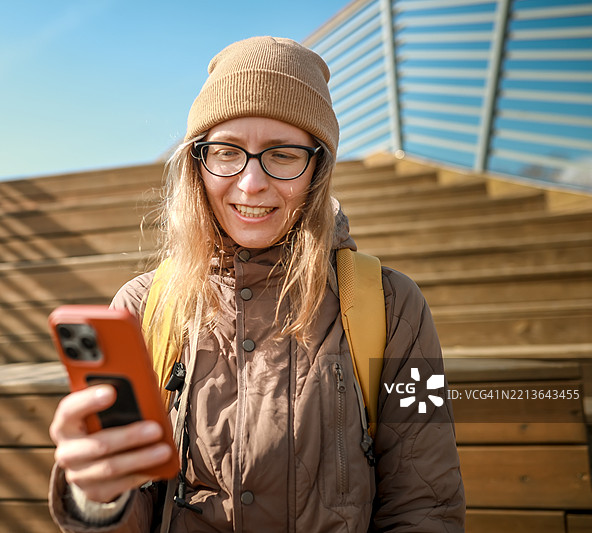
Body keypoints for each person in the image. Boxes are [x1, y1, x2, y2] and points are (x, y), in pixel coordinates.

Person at [48, 36, 465, 532]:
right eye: (227, 152)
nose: (250, 183)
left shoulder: (394, 305)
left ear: (318, 168)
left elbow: (426, 507)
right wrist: (99, 497)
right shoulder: (143, 307)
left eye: (282, 155)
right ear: (197, 163)